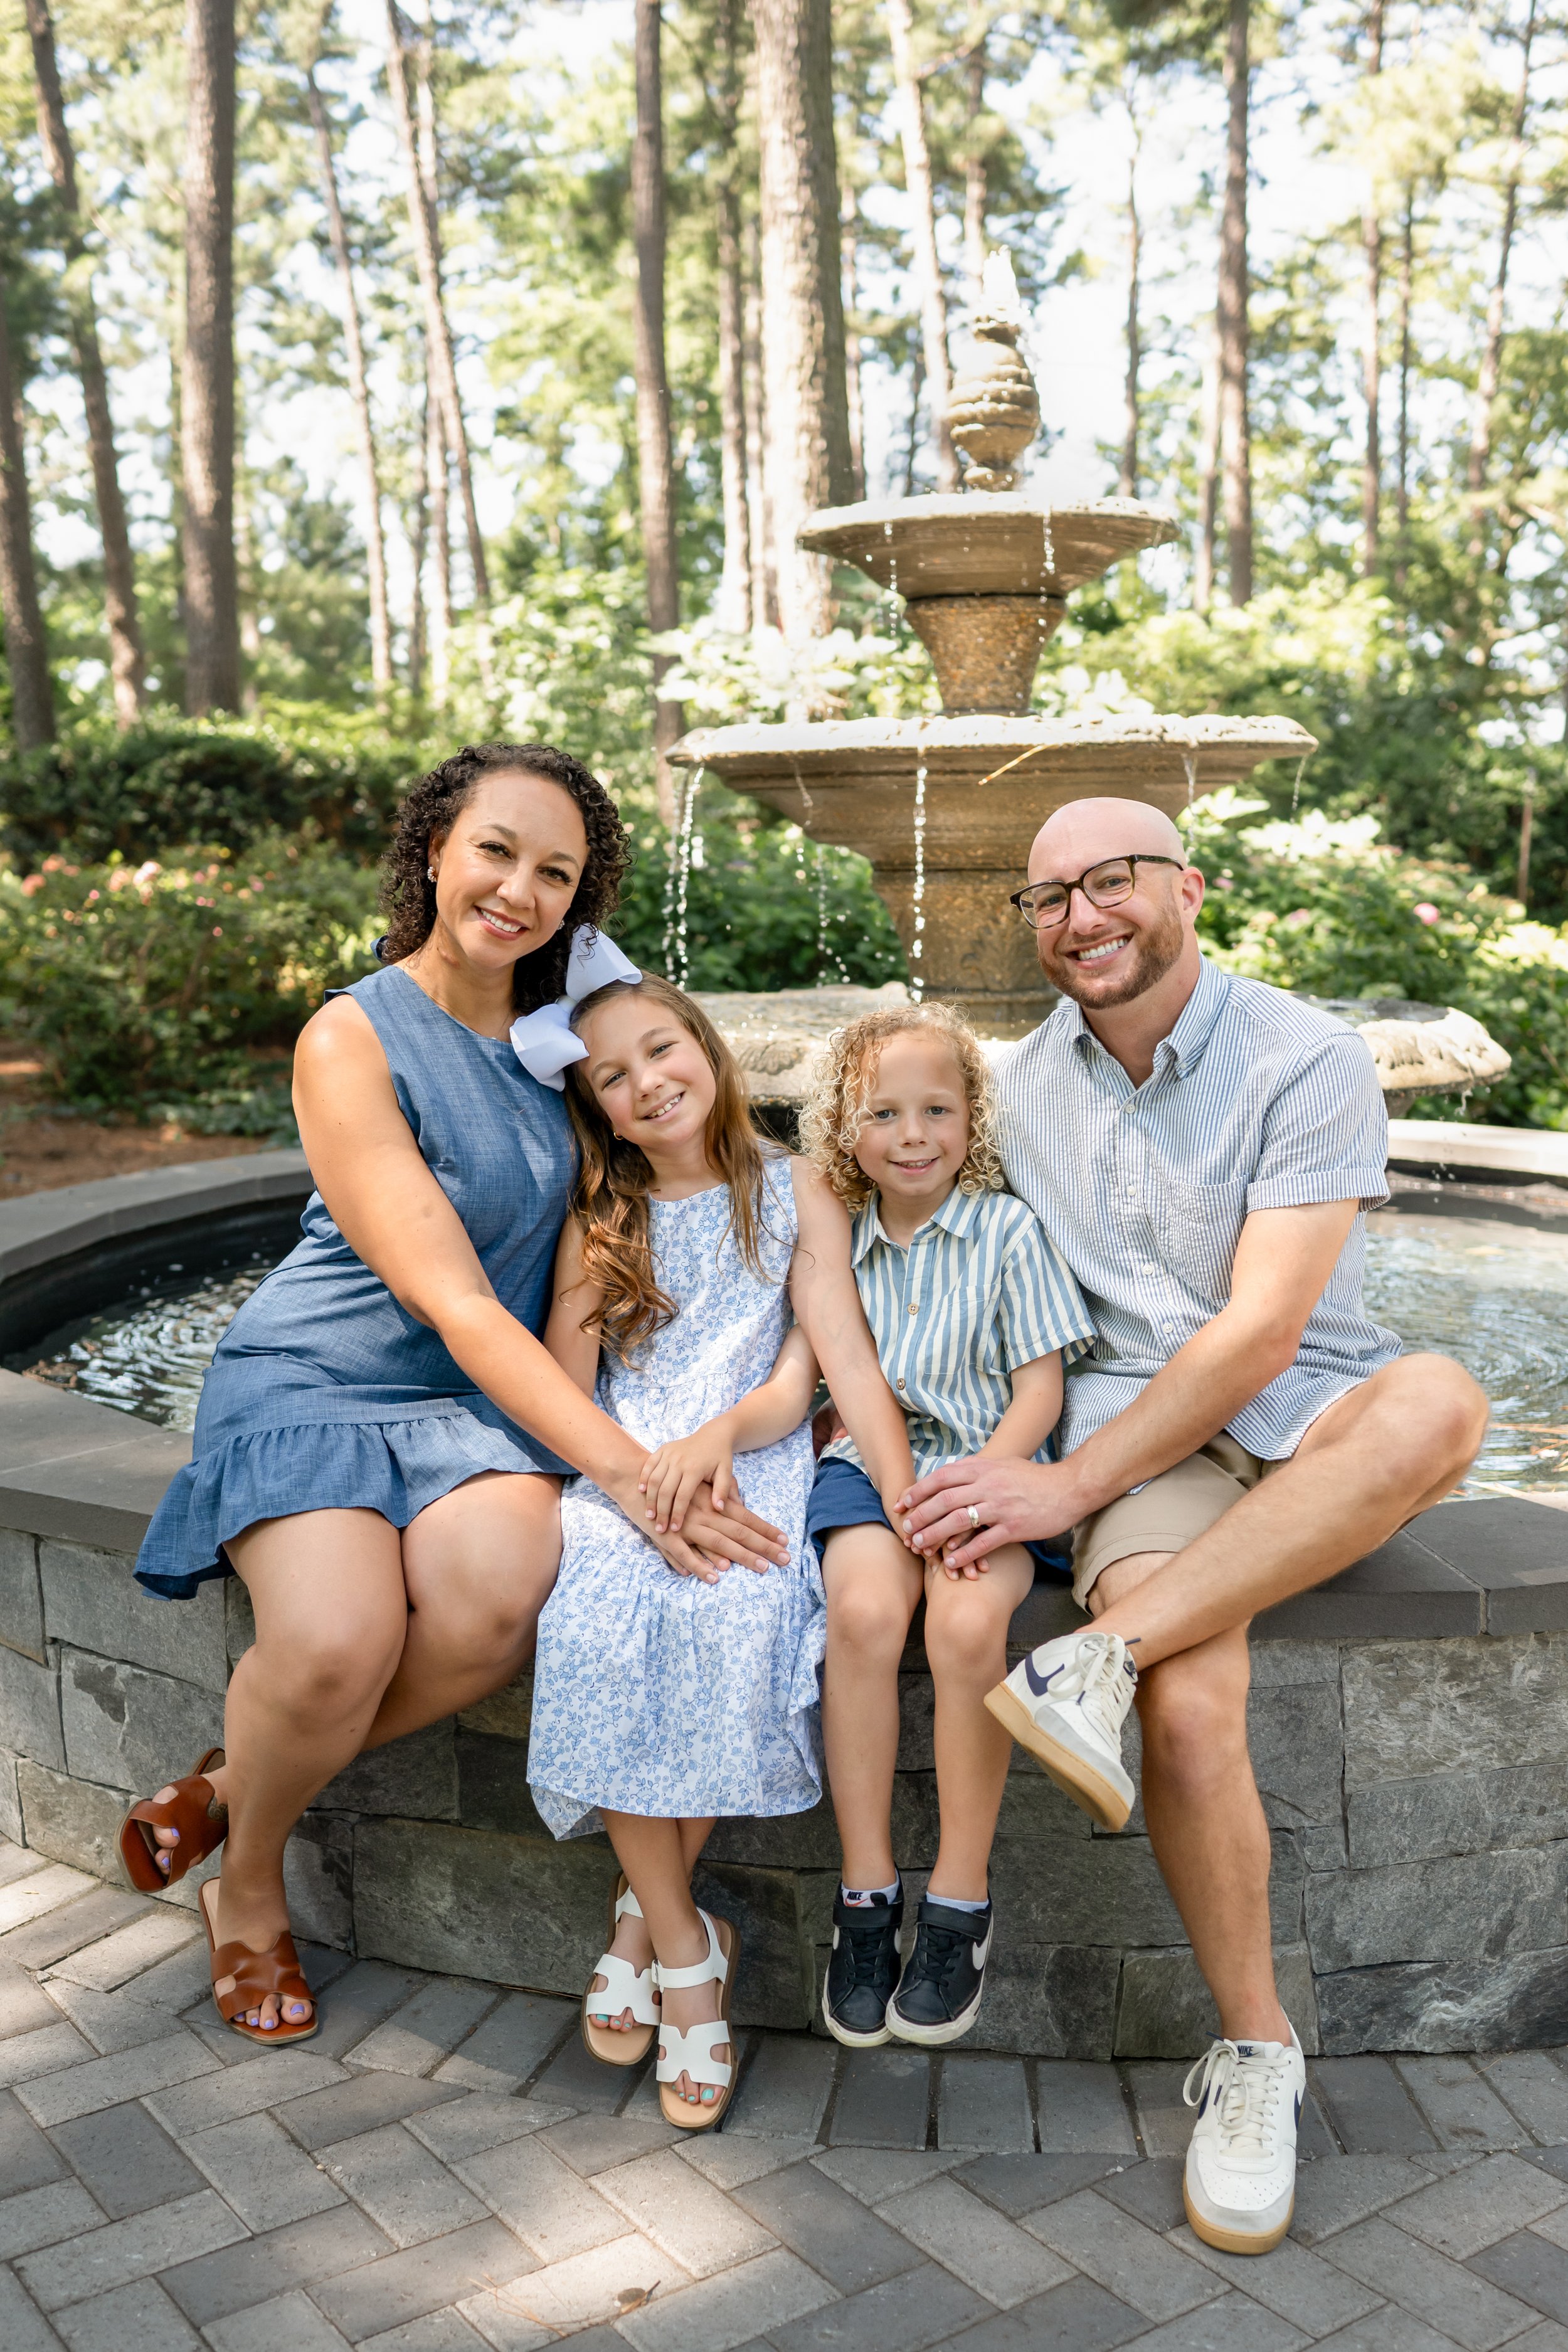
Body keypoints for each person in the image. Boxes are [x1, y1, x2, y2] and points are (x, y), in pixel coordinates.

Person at [123, 745, 788, 2047]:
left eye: (557, 873)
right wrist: (631, 1477)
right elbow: (461, 1301)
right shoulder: (352, 1032)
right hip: (326, 1380)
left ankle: (222, 1781)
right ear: (433, 847)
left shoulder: (563, 1043)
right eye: (496, 851)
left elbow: (684, 1157)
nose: (519, 890)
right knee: (330, 1644)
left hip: (484, 1409)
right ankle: (248, 1882)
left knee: (495, 1604)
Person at [899, 797, 1488, 2255]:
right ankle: (1255, 2053)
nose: (1079, 917)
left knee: (1438, 1403)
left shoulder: (1301, 1056)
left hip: (1301, 1408)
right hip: (1127, 1436)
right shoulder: (1015, 1088)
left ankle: (1087, 1659)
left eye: (1109, 880)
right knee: (1184, 1713)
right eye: (1047, 896)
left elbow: (1262, 1329)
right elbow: (902, 1228)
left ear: (1186, 888)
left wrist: (1062, 1492)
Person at [527, 975, 909, 2131]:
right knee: (597, 1614)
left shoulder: (796, 1190)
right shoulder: (604, 1219)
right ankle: (692, 1952)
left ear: (705, 1044)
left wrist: (721, 1437)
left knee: (730, 1612)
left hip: (754, 1461)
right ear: (596, 1108)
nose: (648, 1082)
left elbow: (805, 1370)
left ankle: (642, 1922)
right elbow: (562, 1390)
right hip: (623, 1477)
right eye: (613, 1077)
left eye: (661, 1049)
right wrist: (643, 1486)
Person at [800, 1002, 1094, 2050]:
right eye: (883, 1112)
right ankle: (867, 1892)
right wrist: (900, 1488)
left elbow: (1042, 1387)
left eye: (937, 1108)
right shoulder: (843, 1247)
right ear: (845, 1130)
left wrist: (986, 1478)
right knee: (867, 1611)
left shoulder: (1008, 1230)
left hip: (994, 1466)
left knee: (967, 1628)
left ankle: (960, 1897)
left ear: (973, 1119)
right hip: (868, 1472)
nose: (912, 1133)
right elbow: (836, 1381)